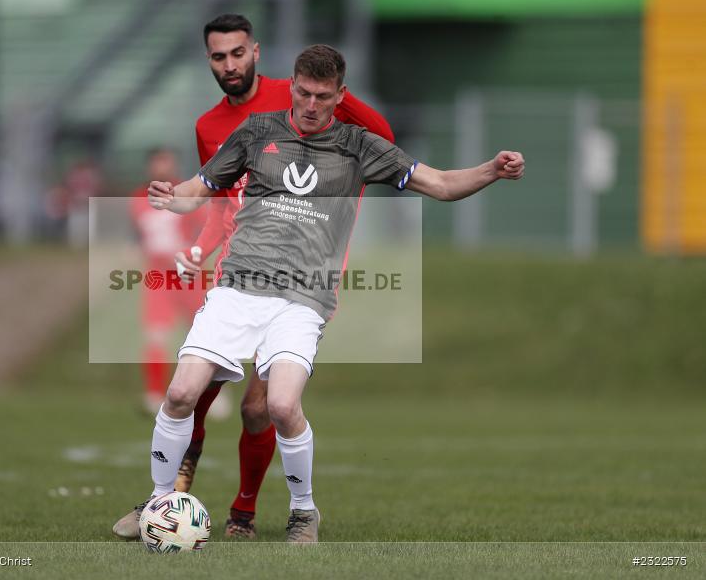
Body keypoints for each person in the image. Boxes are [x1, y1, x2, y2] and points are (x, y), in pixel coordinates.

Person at [119, 43, 524, 543]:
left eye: (323, 97)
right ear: (292, 86)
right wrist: (171, 196)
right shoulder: (257, 131)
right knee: (181, 392)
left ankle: (303, 512)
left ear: (340, 95)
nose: (311, 105)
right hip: (238, 287)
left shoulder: (360, 146)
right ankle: (159, 503)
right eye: (304, 93)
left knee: (280, 406)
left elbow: (439, 184)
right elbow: (201, 187)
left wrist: (491, 170)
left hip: (302, 299)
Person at [112, 13, 397, 540]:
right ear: (209, 60)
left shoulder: (299, 96)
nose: (230, 65)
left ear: (256, 51)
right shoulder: (209, 126)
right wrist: (200, 248)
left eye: (238, 53)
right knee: (191, 393)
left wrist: (336, 93)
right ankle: (166, 502)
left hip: (299, 281)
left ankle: (243, 513)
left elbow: (380, 138)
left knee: (259, 407)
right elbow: (222, 200)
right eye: (219, 56)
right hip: (236, 273)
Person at [128, 148, 210, 414]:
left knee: (200, 336)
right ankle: (154, 394)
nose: (162, 168)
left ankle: (208, 395)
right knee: (156, 335)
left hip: (187, 275)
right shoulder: (138, 199)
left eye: (167, 162)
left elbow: (204, 228)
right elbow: (141, 235)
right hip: (158, 276)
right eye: (158, 163)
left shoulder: (186, 194)